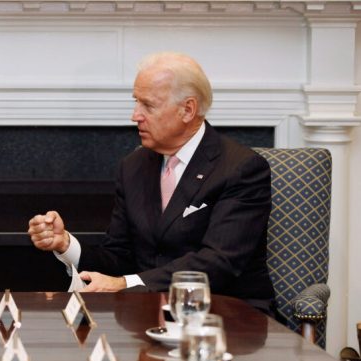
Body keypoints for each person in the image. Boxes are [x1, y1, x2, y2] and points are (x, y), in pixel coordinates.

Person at [27, 52, 274, 313]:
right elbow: (119, 256)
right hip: (147, 313)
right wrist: (66, 244)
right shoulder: (134, 167)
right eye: (136, 103)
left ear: (187, 109)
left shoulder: (240, 168)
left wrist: (126, 283)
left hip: (228, 315)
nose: (135, 116)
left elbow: (218, 263)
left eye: (148, 106)